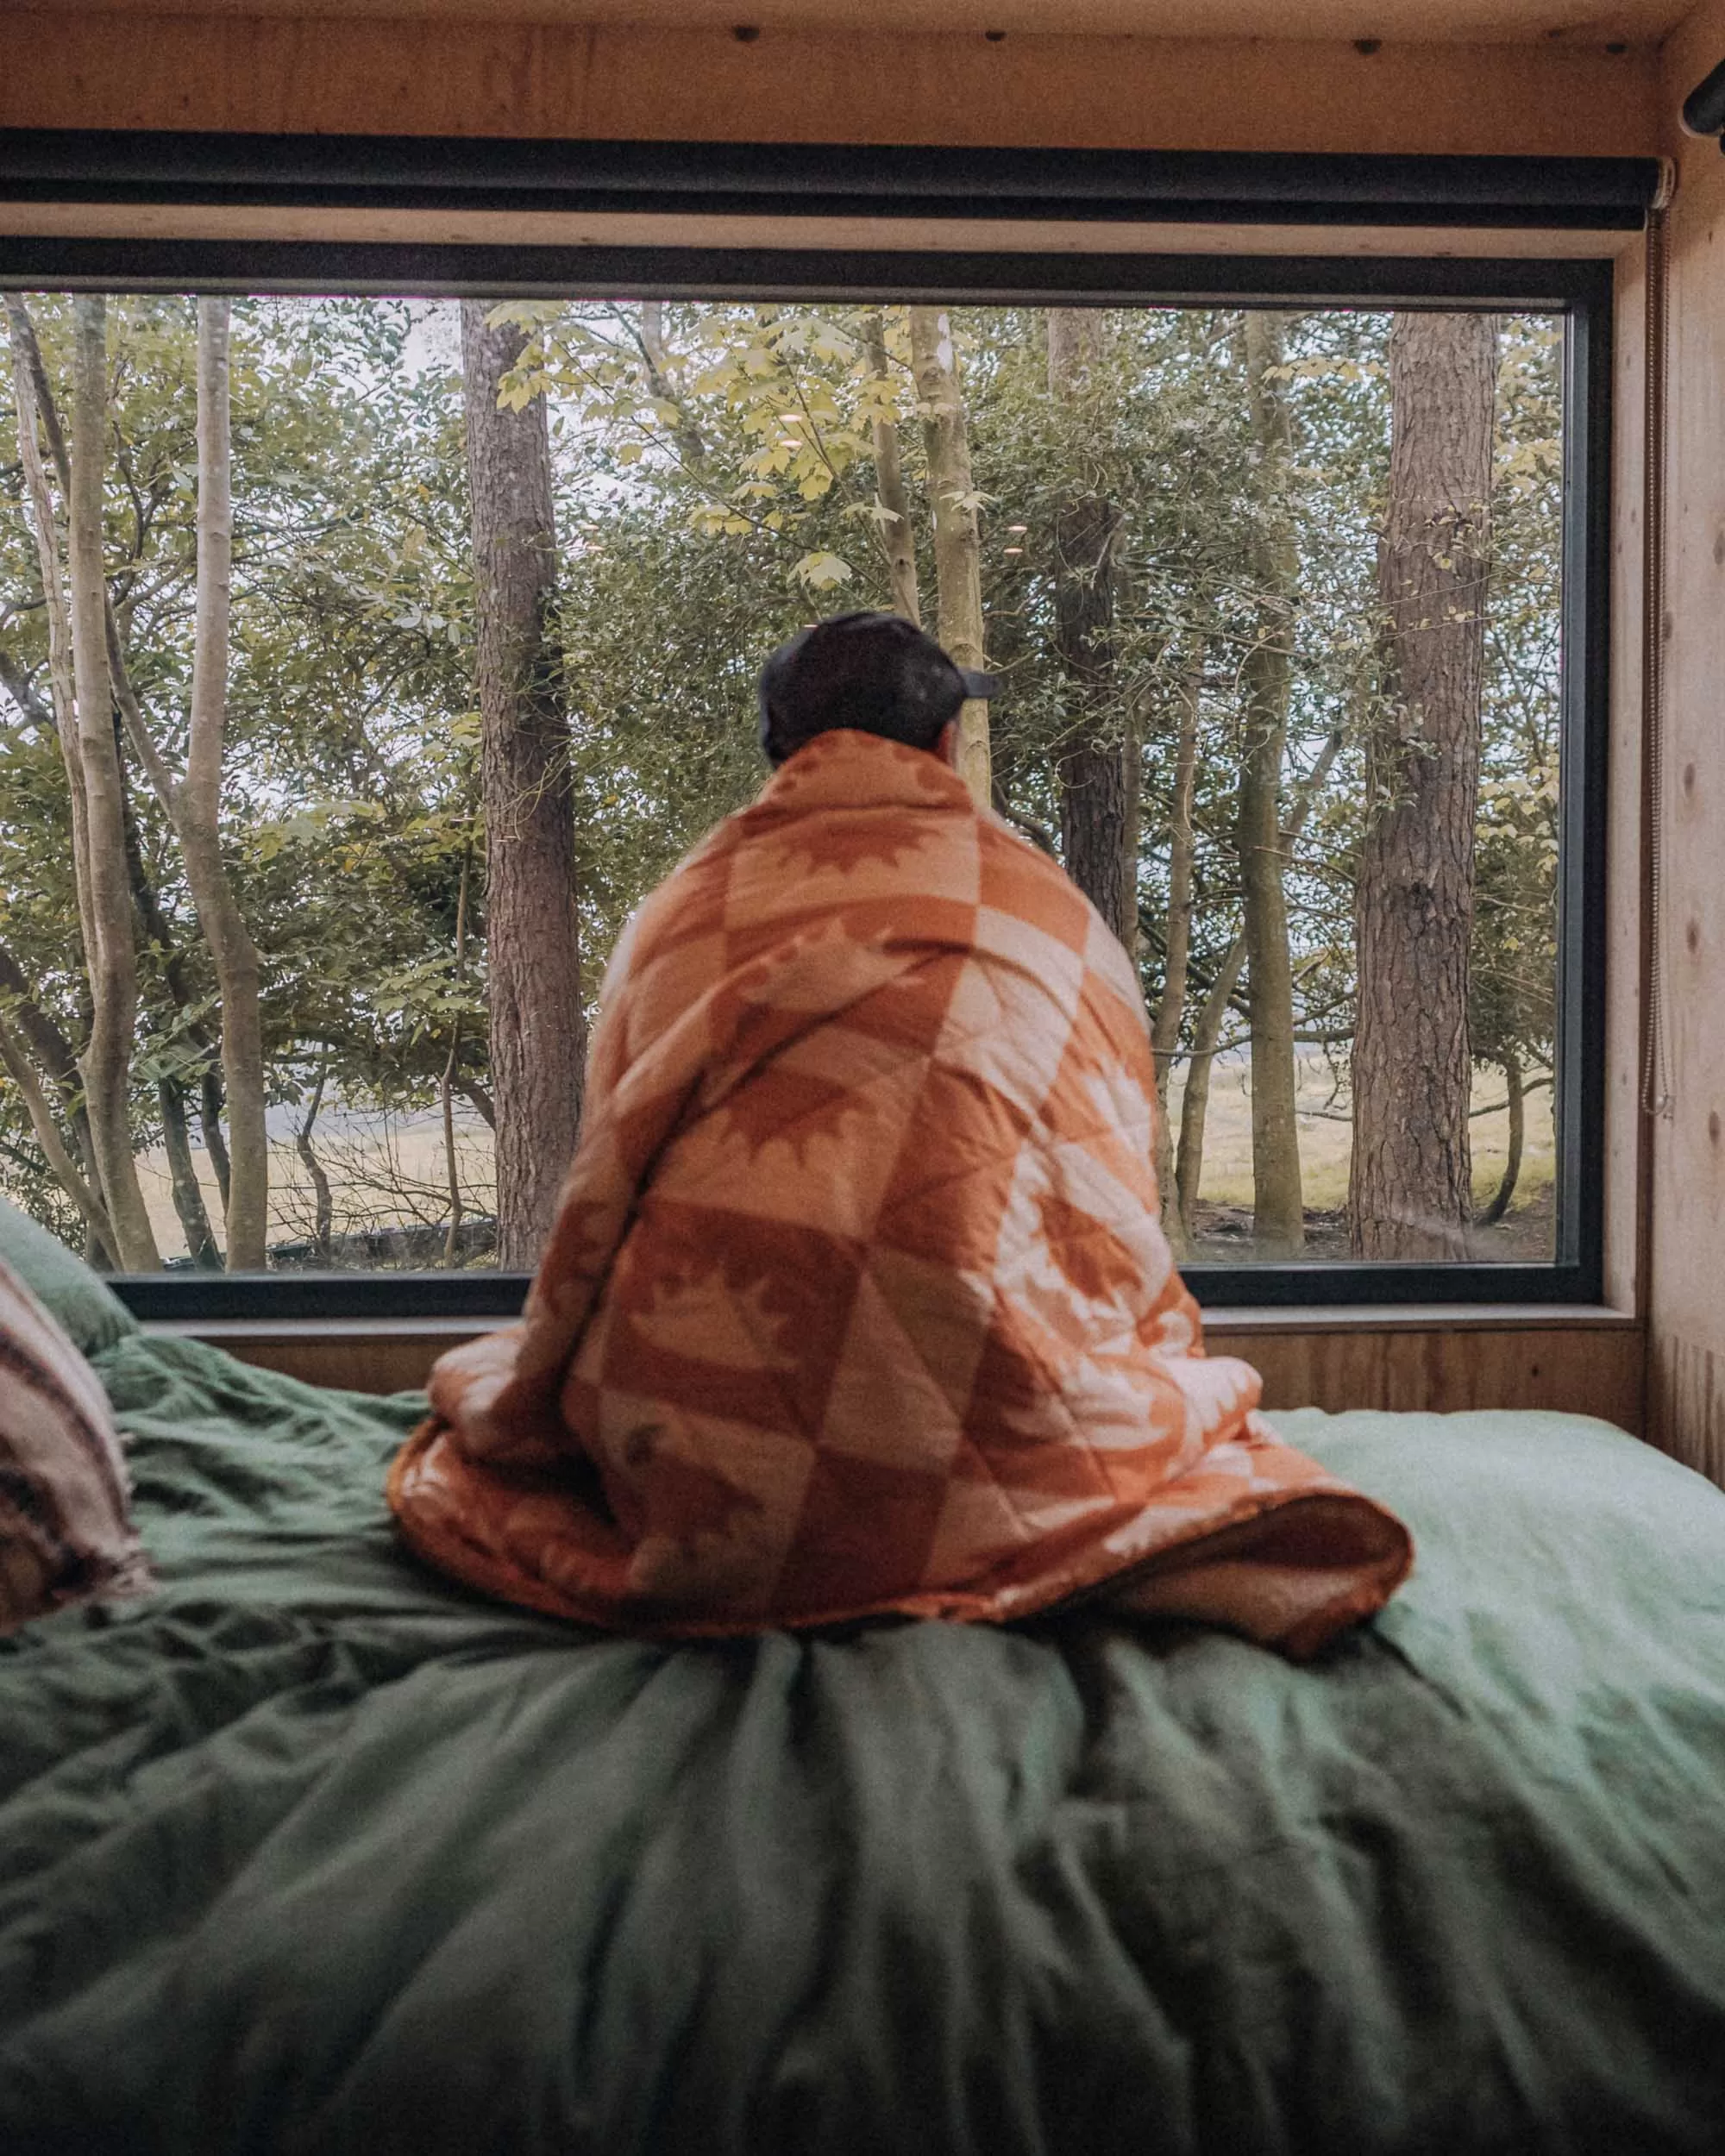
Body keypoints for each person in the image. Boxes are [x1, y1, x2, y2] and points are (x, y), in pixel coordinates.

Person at [389, 612, 1410, 1656]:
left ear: (778, 750)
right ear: (942, 743)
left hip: (701, 1461)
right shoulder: (1045, 910)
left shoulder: (689, 909)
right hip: (1014, 1418)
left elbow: (605, 1181)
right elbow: (1104, 1190)